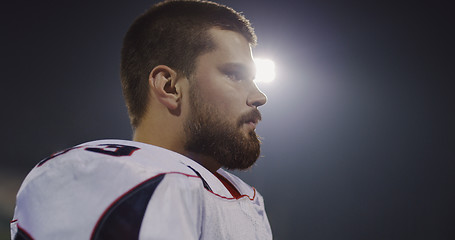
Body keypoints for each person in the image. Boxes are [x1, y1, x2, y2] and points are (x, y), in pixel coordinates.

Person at [11, 0, 272, 239]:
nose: (259, 96)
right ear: (169, 87)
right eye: (235, 75)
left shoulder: (240, 195)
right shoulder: (110, 175)